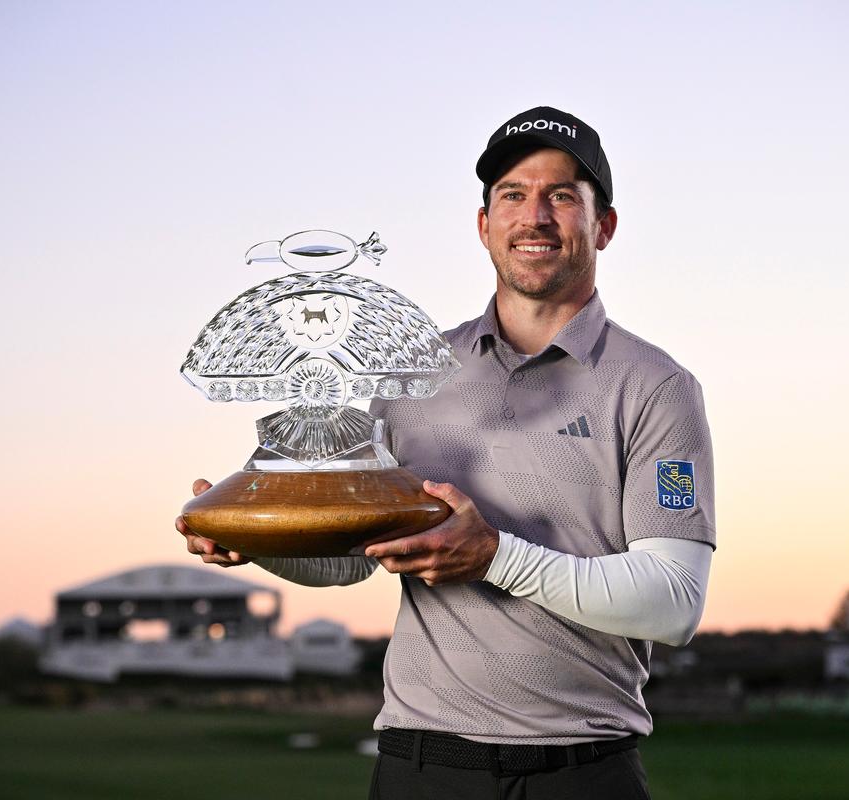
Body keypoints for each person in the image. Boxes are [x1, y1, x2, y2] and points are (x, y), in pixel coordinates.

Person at [177, 106, 716, 799]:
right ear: (485, 224)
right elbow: (353, 558)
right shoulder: (411, 375)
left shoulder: (657, 387)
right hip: (423, 767)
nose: (536, 216)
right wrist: (258, 538)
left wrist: (496, 556)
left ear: (603, 225)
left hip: (582, 769)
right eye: (513, 196)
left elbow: (672, 603)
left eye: (562, 195)